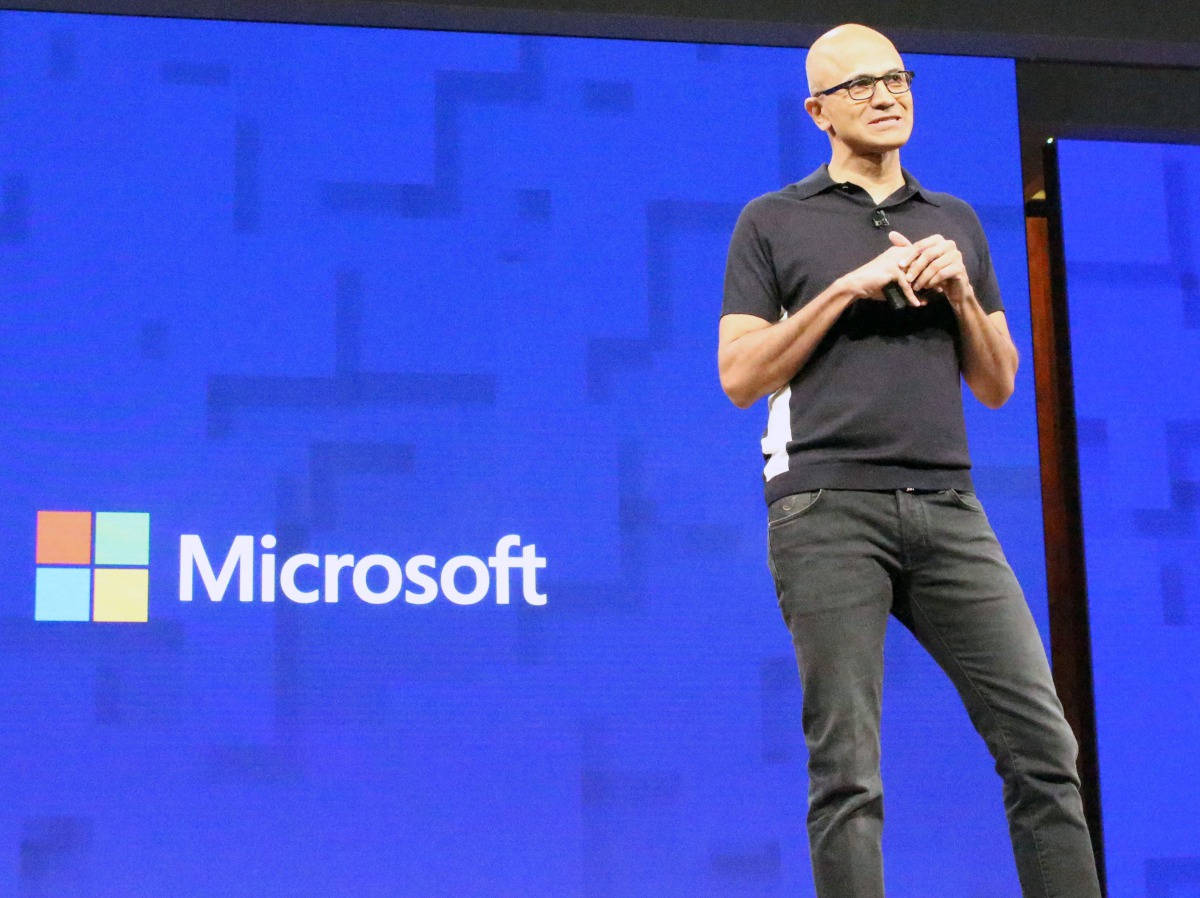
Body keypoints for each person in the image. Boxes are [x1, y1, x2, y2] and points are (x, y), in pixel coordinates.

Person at [718, 23, 1102, 898]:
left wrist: (963, 291)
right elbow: (740, 375)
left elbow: (998, 383)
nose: (887, 95)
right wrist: (846, 288)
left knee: (1045, 747)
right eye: (860, 86)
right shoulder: (774, 221)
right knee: (848, 771)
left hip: (948, 508)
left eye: (897, 78)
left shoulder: (953, 221)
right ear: (818, 111)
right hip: (827, 511)